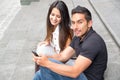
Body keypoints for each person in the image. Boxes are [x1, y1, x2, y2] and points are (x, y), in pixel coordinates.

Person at [33, 5, 108, 80]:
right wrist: (44, 58)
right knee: (39, 74)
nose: (75, 27)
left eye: (80, 22)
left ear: (89, 23)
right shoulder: (78, 38)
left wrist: (47, 63)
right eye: (73, 23)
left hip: (86, 77)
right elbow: (62, 56)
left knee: (47, 68)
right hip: (80, 73)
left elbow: (74, 72)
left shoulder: (92, 42)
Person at [34, 0, 73, 72]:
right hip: (56, 55)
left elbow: (64, 58)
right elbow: (51, 37)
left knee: (41, 56)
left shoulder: (67, 33)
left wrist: (47, 58)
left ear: (63, 18)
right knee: (40, 48)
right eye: (52, 15)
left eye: (58, 16)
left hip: (66, 62)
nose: (54, 19)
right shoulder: (53, 26)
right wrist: (47, 41)